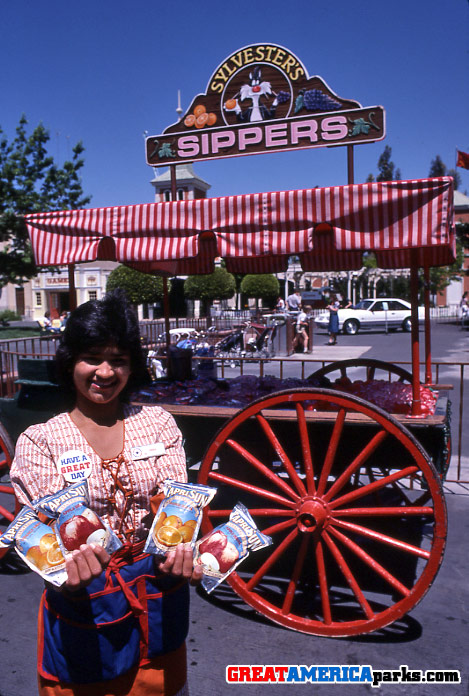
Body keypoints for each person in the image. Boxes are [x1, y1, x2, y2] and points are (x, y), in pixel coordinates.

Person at [10, 289, 202, 696]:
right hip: (86, 606)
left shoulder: (159, 423)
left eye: (118, 360)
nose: (105, 372)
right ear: (70, 362)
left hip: (157, 593)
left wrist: (184, 550)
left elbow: (175, 503)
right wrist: (66, 571)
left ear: (133, 367)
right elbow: (39, 532)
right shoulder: (40, 441)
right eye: (92, 357)